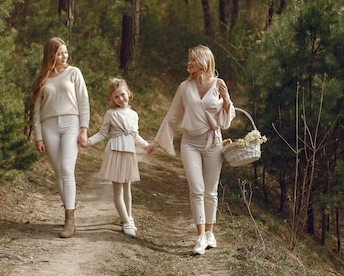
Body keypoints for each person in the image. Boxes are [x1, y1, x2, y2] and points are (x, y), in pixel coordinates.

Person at [146, 45, 235, 255]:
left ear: (204, 61)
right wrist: (156, 143)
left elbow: (226, 119)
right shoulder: (184, 88)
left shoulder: (219, 84)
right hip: (190, 143)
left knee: (210, 191)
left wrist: (228, 100)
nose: (189, 64)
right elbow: (171, 116)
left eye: (192, 60)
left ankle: (210, 233)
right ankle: (200, 236)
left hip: (213, 142)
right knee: (196, 189)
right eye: (189, 60)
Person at [32, 37, 90, 238]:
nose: (64, 56)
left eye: (66, 52)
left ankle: (70, 218)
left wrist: (84, 128)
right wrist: (38, 137)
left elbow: (83, 102)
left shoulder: (74, 73)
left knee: (66, 169)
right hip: (49, 127)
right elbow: (37, 111)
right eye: (60, 53)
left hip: (70, 123)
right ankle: (69, 207)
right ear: (51, 55)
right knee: (59, 172)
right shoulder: (43, 78)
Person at [85, 78, 149, 237]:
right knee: (118, 189)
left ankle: (128, 217)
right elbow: (102, 133)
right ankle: (126, 222)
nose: (120, 99)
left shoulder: (134, 114)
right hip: (115, 151)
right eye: (116, 97)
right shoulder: (110, 114)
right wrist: (88, 141)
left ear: (128, 93)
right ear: (112, 98)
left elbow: (135, 136)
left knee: (127, 187)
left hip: (129, 153)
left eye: (122, 94)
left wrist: (147, 146)